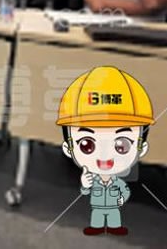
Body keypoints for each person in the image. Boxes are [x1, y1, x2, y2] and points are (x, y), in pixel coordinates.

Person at [56, 66, 154, 236]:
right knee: (97, 217)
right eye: (87, 144)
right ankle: (97, 226)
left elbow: (125, 190)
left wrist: (122, 198)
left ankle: (115, 227)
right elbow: (85, 191)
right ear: (68, 147)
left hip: (113, 207)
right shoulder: (93, 179)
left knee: (114, 217)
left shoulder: (117, 181)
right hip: (98, 207)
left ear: (142, 147)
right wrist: (85, 185)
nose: (104, 155)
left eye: (121, 145)